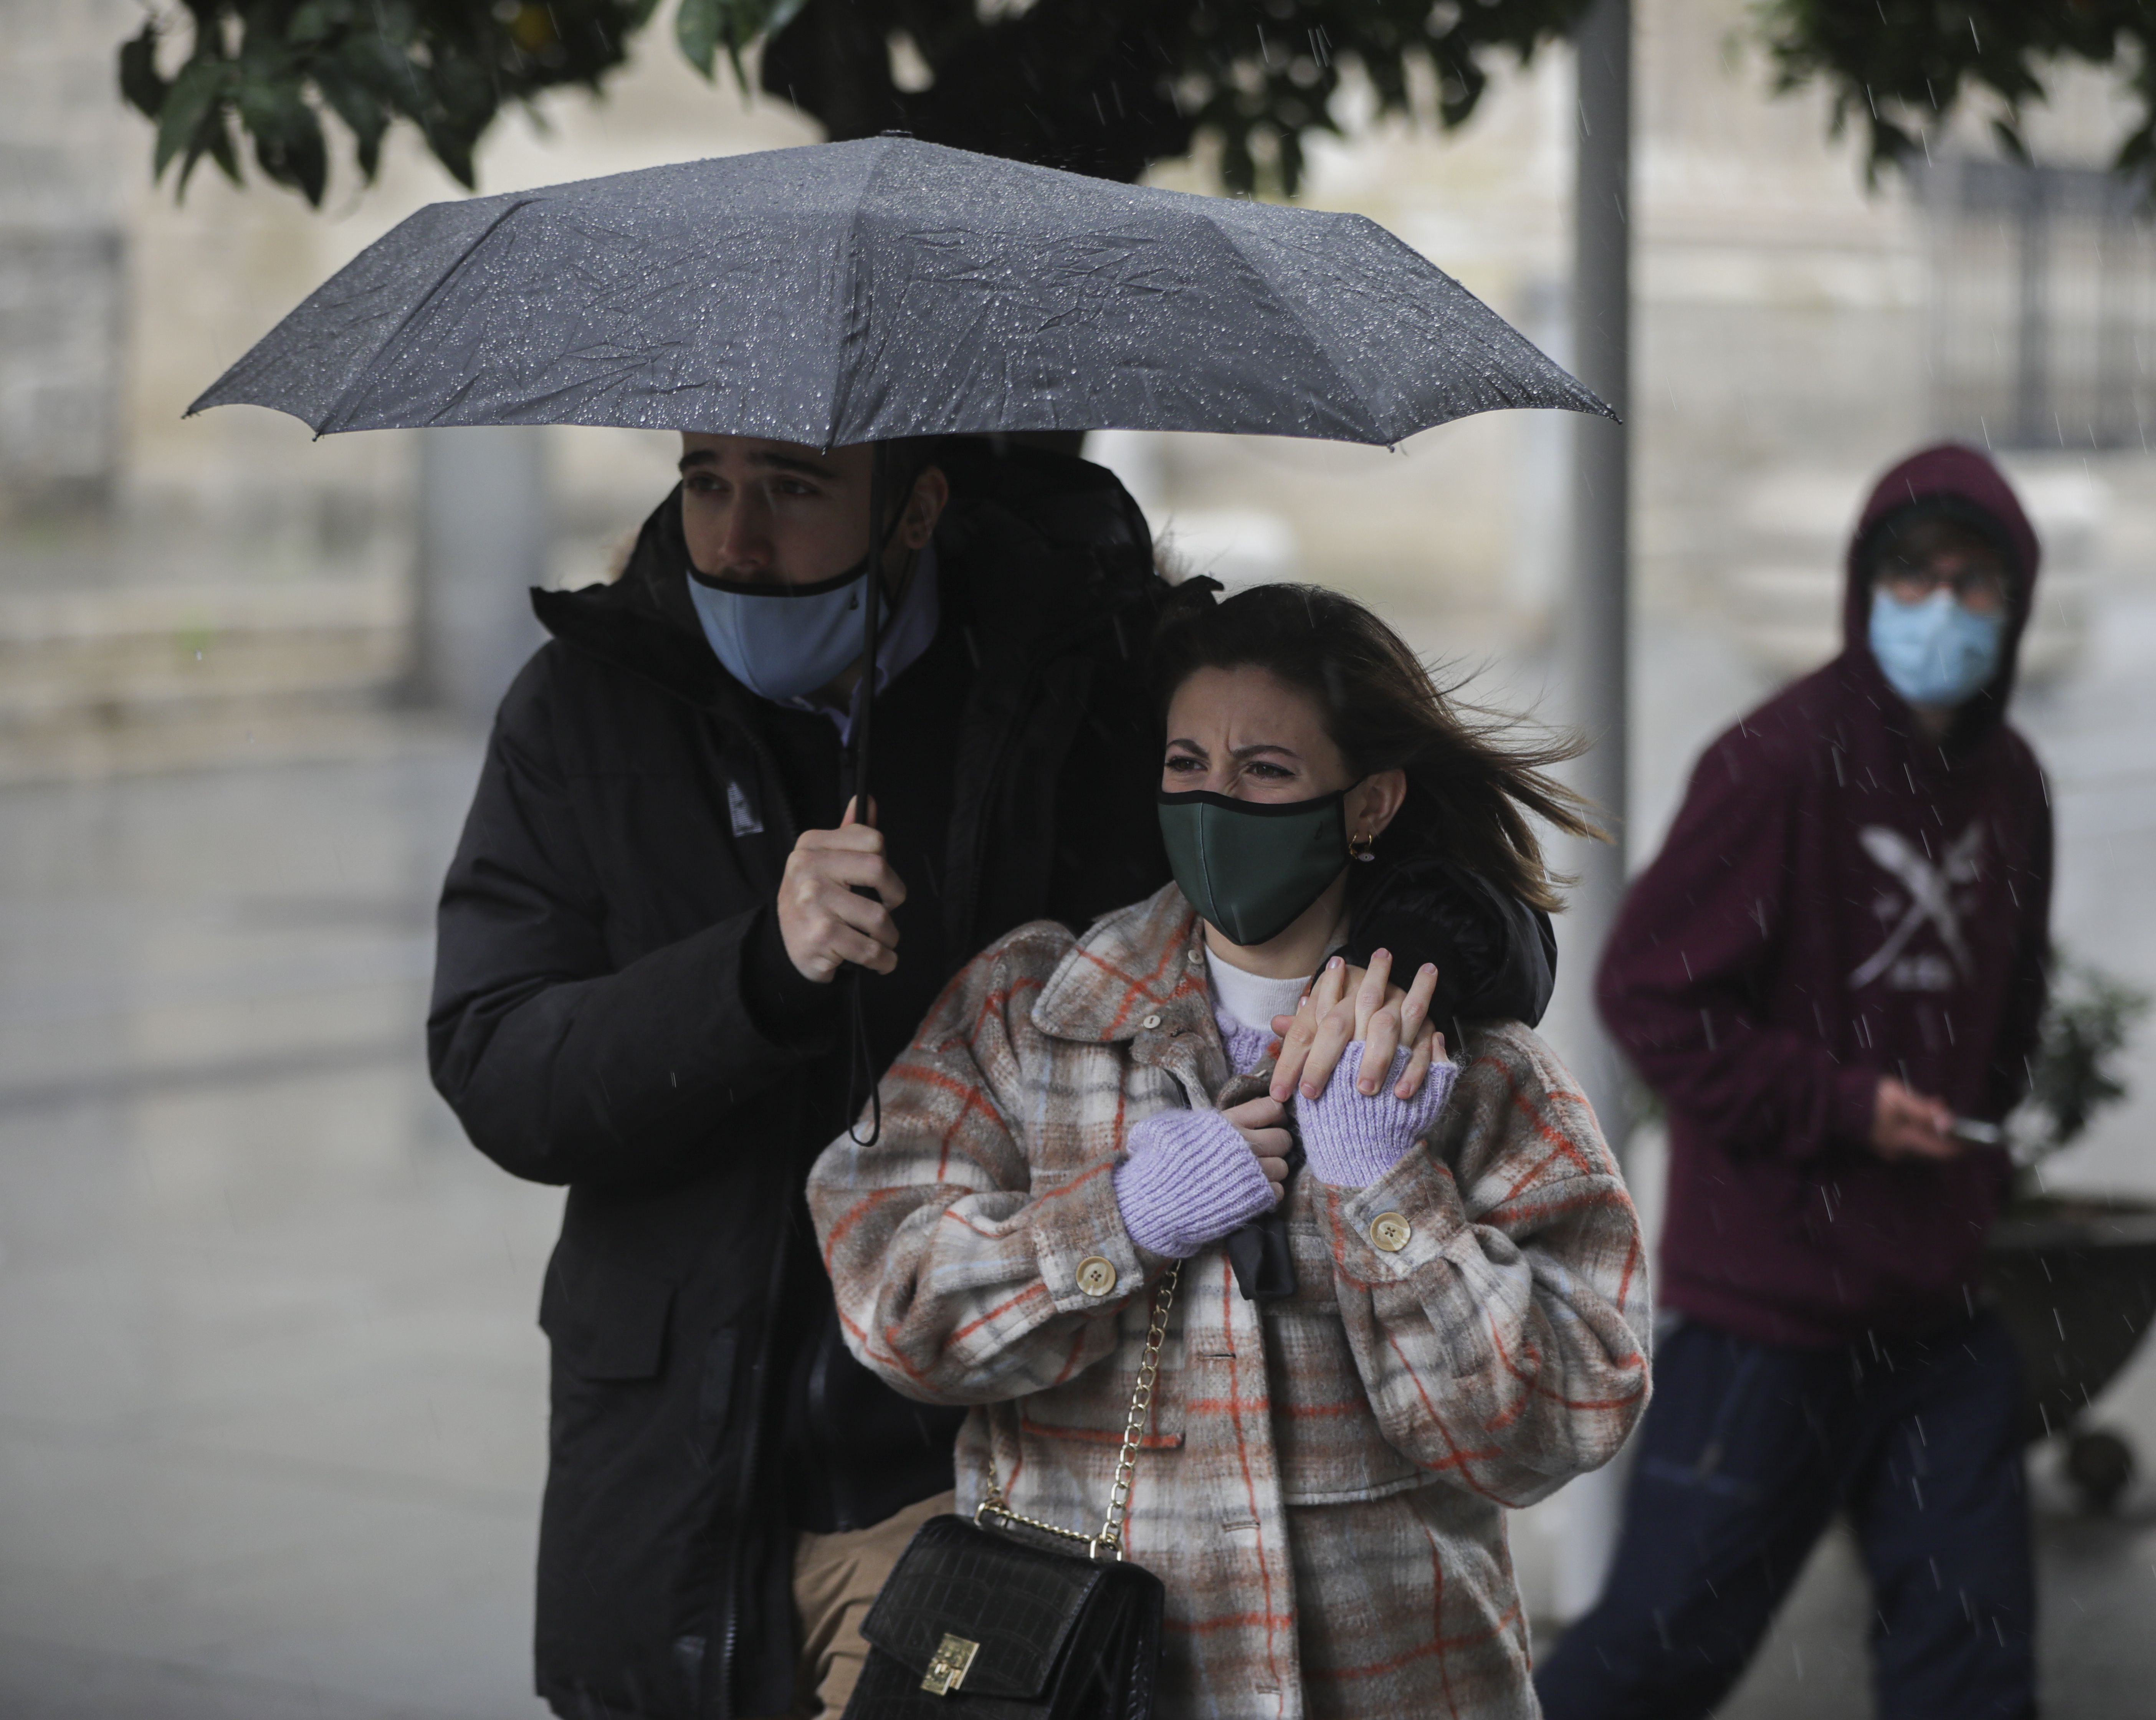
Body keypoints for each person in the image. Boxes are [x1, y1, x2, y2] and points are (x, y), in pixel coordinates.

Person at [429, 437, 1561, 1720]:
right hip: (670, 1478)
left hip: (965, 1485)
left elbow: (1440, 891)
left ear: (915, 509)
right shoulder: (583, 704)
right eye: (706, 482)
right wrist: (755, 972)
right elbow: (497, 1063)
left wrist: (1391, 960)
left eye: (793, 488)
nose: (737, 539)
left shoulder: (1079, 682)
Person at [807, 584, 1654, 1716]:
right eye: (1186, 765)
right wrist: (1119, 1220)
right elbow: (888, 1304)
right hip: (1080, 1678)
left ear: (1370, 805)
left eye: (1264, 771)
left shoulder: (1480, 1069)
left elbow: (1563, 1419)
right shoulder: (1029, 1011)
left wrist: (1385, 1187)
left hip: (1403, 1680)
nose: (1215, 801)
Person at [1536, 444, 2054, 1720]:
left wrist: (1968, 1143)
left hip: (1938, 1312)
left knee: (1973, 1663)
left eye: (1974, 581)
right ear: (1863, 588)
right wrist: (1842, 1108)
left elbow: (2013, 1005)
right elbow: (1648, 992)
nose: (1941, 607)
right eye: (1912, 576)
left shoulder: (2015, 786)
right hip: (1769, 1313)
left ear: (2018, 602)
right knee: (1659, 1654)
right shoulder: (1777, 763)